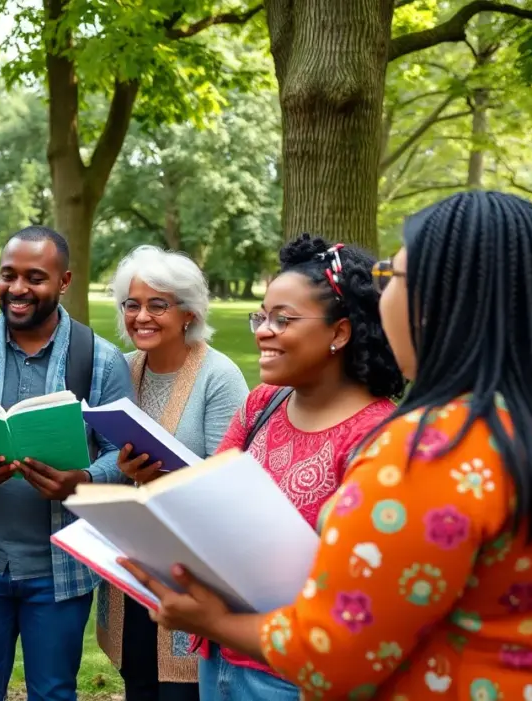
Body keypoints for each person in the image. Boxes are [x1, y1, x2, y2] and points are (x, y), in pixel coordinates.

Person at [120, 192, 532, 698]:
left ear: (444, 300)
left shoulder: (430, 451)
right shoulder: (509, 428)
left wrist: (216, 623)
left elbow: (334, 654)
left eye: (392, 278)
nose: (382, 299)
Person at [129, 234, 406, 700]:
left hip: (291, 675)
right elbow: (208, 503)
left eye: (284, 319)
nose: (262, 330)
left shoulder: (378, 438)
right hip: (217, 655)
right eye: (263, 315)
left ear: (339, 333)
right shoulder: (262, 405)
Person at [0, 226, 135, 701]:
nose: (17, 289)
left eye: (35, 277)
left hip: (60, 571)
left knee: (54, 692)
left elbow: (124, 454)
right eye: (7, 275)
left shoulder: (99, 359)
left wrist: (82, 480)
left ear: (64, 282)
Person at [98, 246, 249, 700]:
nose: (141, 316)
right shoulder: (121, 370)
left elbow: (233, 482)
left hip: (192, 568)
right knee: (139, 680)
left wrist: (158, 476)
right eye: (132, 304)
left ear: (188, 313)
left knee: (179, 690)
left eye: (157, 304)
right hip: (131, 564)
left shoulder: (219, 376)